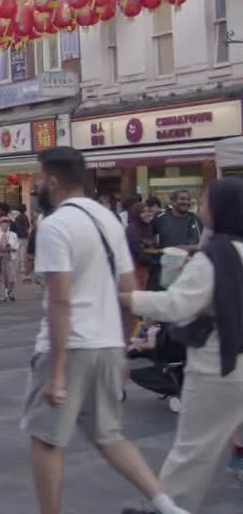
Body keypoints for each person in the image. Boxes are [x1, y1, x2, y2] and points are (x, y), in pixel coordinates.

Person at [26, 147, 190, 514]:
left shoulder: (55, 226)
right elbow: (129, 289)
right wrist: (120, 344)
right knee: (109, 435)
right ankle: (167, 506)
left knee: (46, 439)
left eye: (38, 177)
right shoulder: (108, 219)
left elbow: (60, 301)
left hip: (69, 346)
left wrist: (54, 374)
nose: (37, 184)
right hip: (104, 342)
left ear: (52, 180)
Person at [117, 177, 243, 513]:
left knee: (193, 448)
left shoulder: (214, 256)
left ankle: (166, 508)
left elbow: (176, 305)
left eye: (206, 202)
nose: (200, 208)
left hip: (219, 363)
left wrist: (128, 298)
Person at [151, 190, 203, 292]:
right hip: (165, 270)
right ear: (173, 202)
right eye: (182, 199)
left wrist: (187, 248)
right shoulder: (160, 218)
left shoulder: (196, 219)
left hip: (188, 268)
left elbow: (204, 243)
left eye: (188, 199)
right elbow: (150, 237)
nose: (186, 202)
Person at [126, 204, 161, 292]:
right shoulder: (132, 229)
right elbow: (137, 250)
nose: (147, 214)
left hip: (149, 267)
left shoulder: (148, 227)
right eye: (143, 212)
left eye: (148, 211)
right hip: (138, 267)